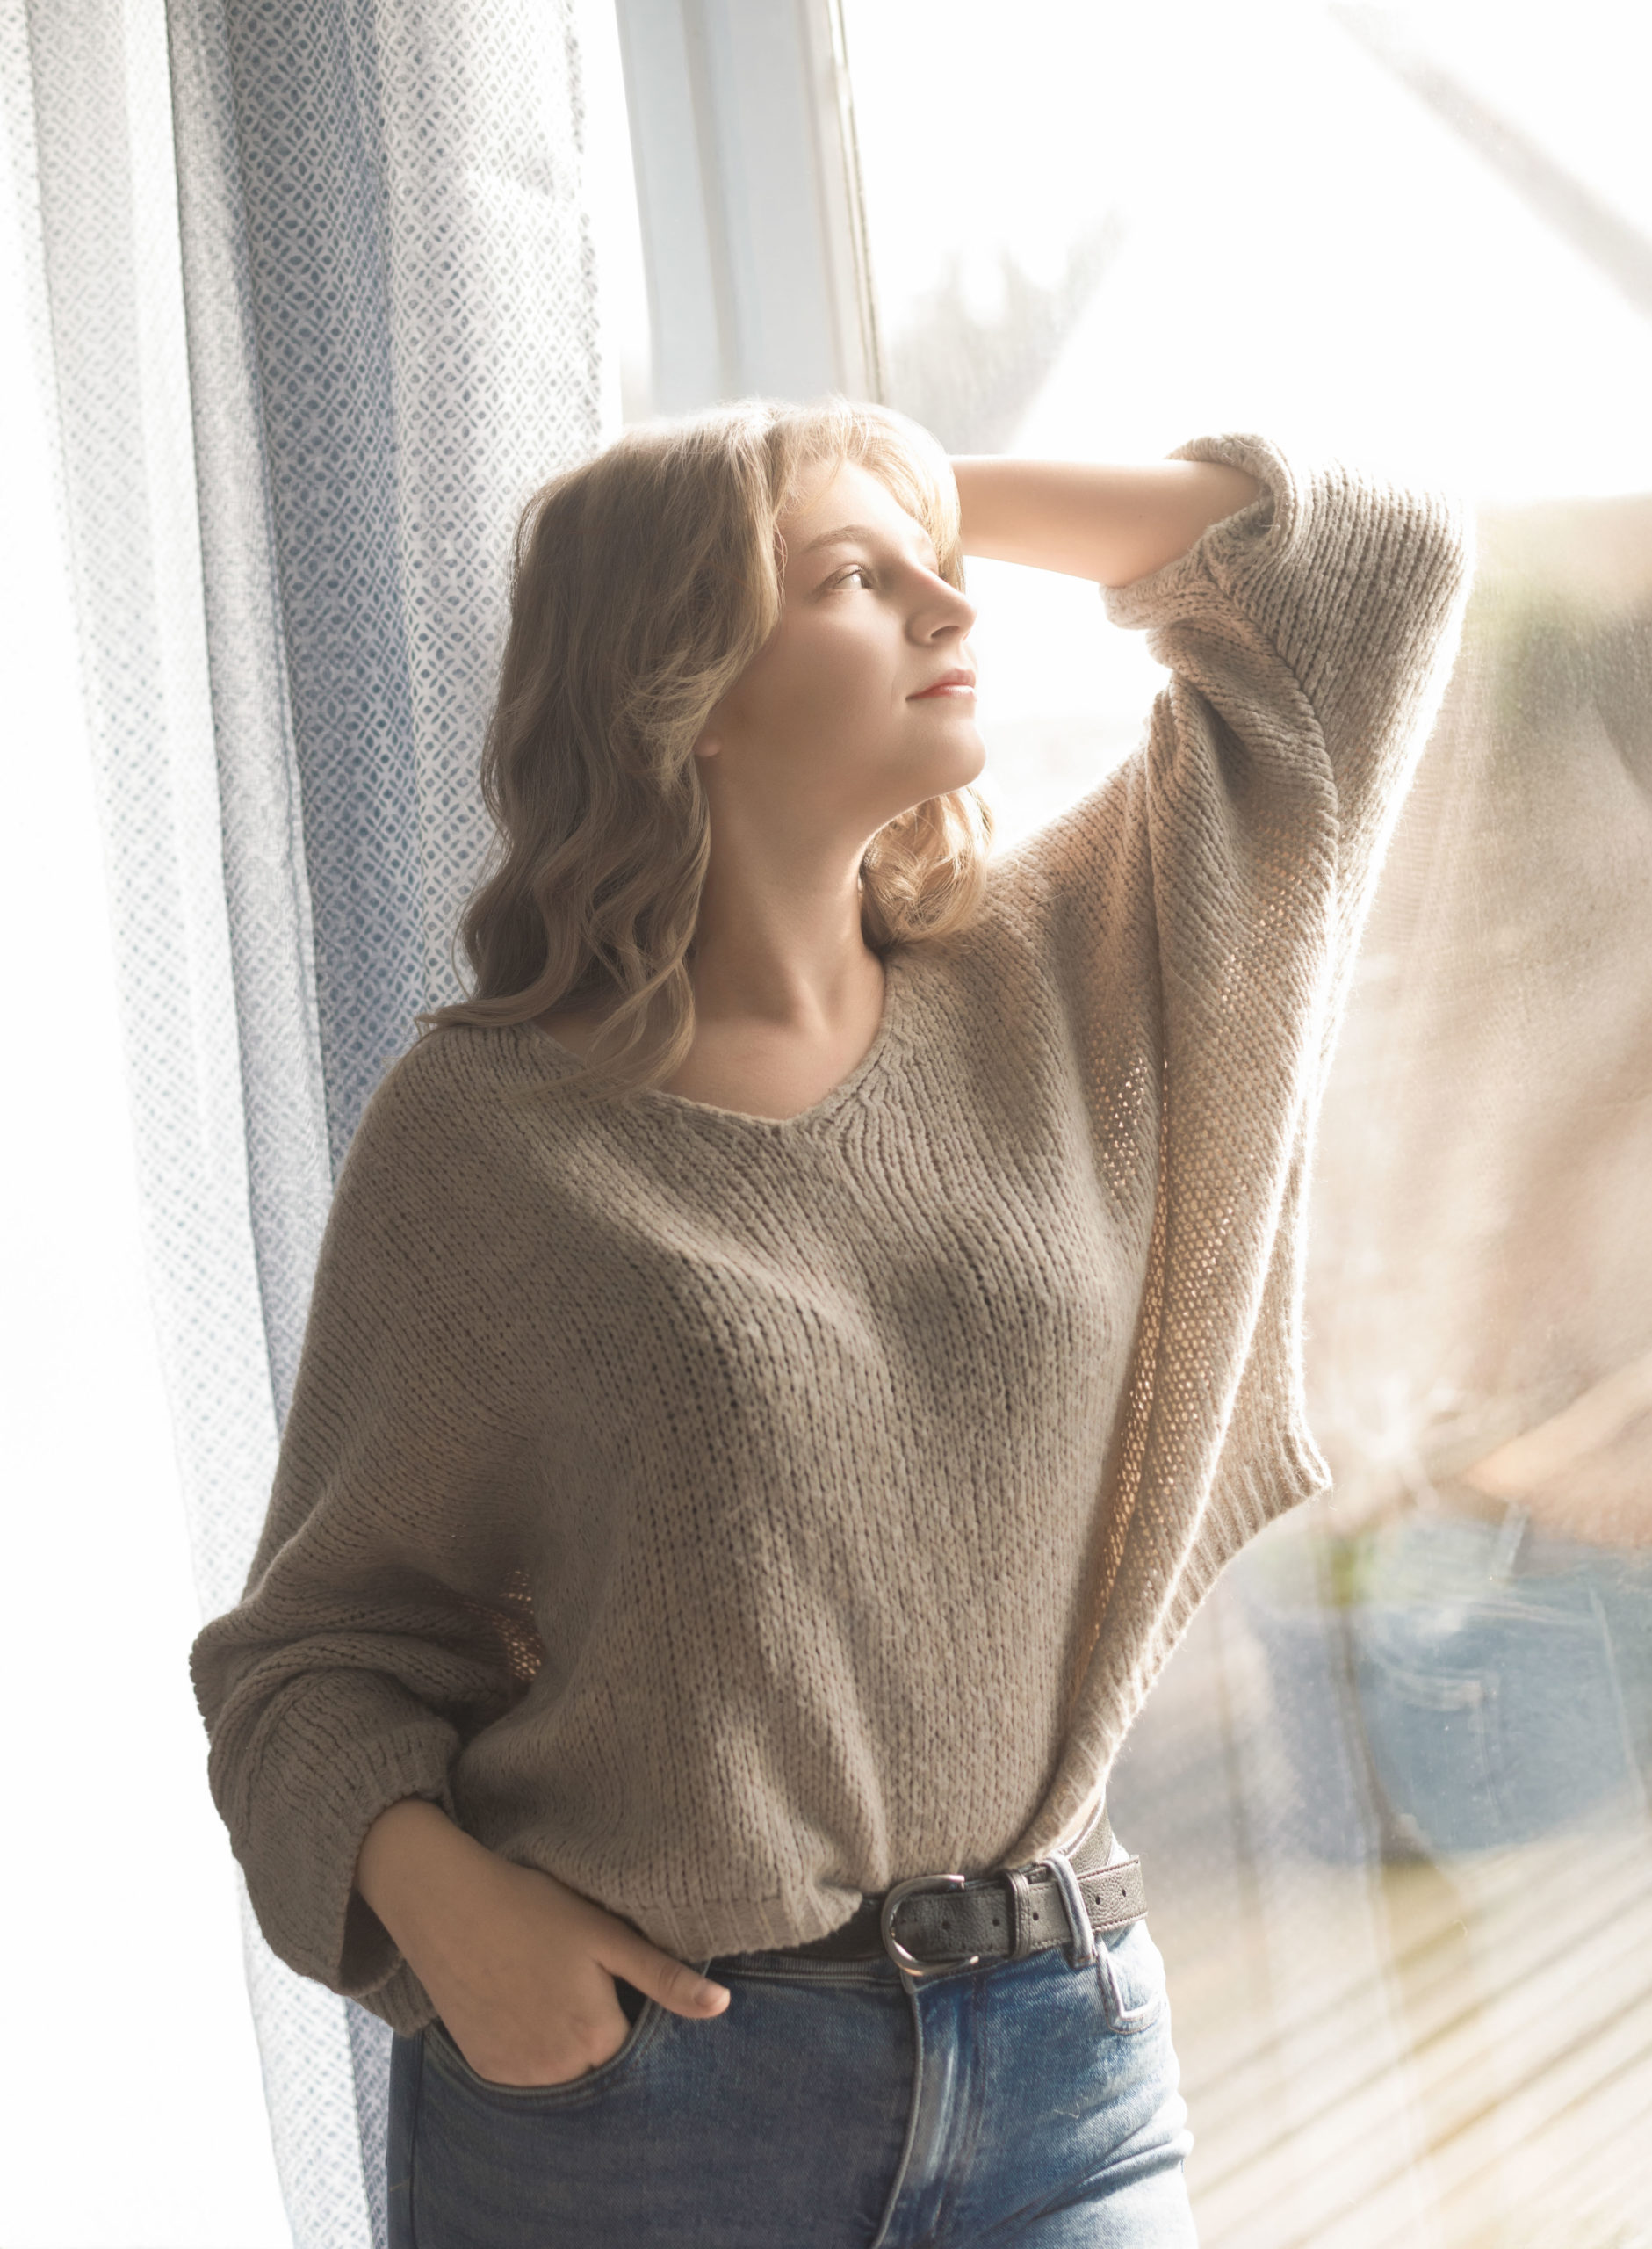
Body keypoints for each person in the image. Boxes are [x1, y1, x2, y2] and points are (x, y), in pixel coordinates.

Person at [190, 397, 1471, 2246]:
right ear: (680, 681)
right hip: (641, 2107)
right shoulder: (484, 1136)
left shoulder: (1066, 977)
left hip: (1062, 2060)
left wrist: (879, 477)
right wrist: (458, 1924)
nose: (951, 606)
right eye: (859, 585)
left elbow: (1365, 565)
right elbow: (305, 1659)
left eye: (935, 572)